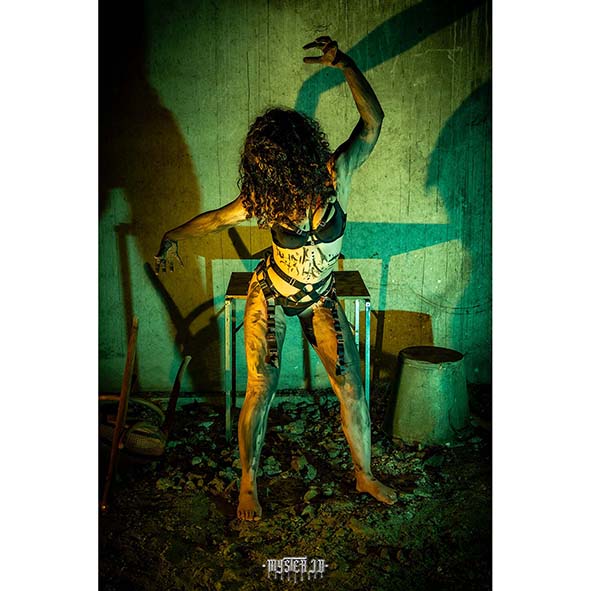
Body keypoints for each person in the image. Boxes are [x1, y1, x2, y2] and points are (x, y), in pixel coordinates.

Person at [155, 37, 397, 521]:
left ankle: (364, 474)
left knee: (351, 388)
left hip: (320, 297)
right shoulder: (266, 199)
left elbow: (373, 122)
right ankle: (248, 483)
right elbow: (215, 220)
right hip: (271, 292)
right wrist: (171, 236)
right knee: (260, 388)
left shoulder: (337, 173)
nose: (294, 189)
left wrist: (345, 64)